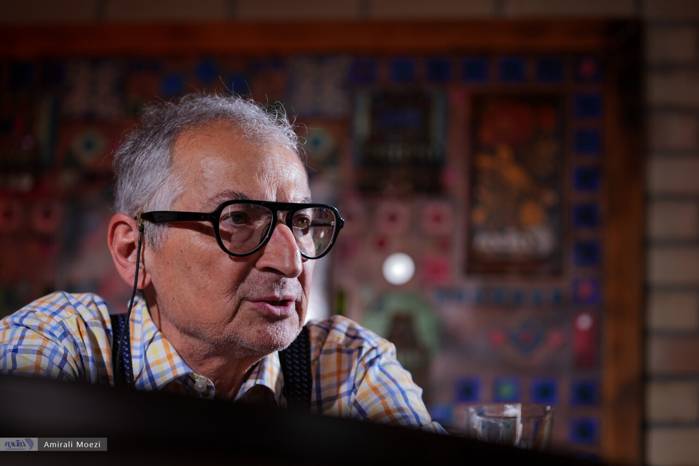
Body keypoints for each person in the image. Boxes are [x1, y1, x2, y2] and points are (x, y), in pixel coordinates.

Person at [0, 93, 443, 432]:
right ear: (133, 250)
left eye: (302, 222)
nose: (290, 262)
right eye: (238, 219)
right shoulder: (64, 343)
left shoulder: (345, 366)